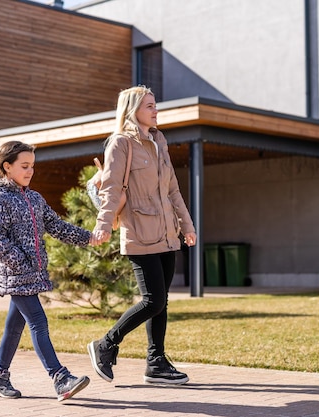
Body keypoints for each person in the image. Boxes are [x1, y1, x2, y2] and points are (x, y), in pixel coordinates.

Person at [0, 140, 99, 401]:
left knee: (14, 327)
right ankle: (60, 378)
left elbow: (57, 226)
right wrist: (20, 263)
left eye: (32, 166)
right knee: (38, 322)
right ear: (7, 167)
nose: (30, 171)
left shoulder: (35, 198)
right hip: (17, 274)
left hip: (32, 274)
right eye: (24, 166)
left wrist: (89, 237)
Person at [88, 85, 197, 385]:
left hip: (166, 234)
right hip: (138, 232)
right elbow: (110, 189)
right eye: (149, 105)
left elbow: (172, 189)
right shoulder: (121, 144)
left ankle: (156, 362)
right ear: (133, 109)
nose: (155, 109)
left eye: (155, 104)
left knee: (162, 302)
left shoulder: (159, 140)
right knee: (153, 301)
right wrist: (102, 223)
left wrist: (186, 226)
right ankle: (106, 344)